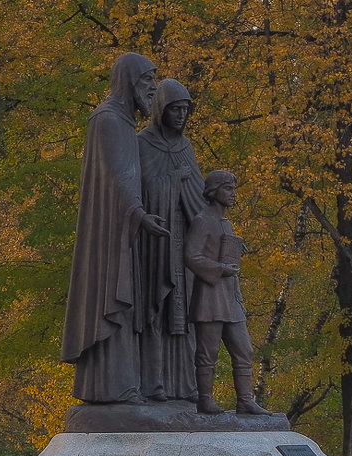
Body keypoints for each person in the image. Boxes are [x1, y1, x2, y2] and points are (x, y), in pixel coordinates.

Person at [61, 52, 170, 403]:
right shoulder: (107, 120)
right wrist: (138, 214)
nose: (152, 89)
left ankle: (123, 386)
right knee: (115, 302)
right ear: (128, 81)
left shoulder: (123, 122)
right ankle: (115, 390)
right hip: (110, 233)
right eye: (147, 81)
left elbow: (132, 177)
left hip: (125, 229)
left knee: (127, 306)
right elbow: (117, 178)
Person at [136, 79, 205, 402]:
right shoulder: (143, 144)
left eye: (185, 110)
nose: (181, 116)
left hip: (184, 243)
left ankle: (187, 387)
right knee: (157, 312)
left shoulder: (186, 147)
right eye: (175, 109)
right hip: (156, 242)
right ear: (160, 110)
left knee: (186, 315)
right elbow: (140, 191)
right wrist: (171, 182)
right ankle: (154, 383)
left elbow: (200, 197)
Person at [184, 170, 271, 416]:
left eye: (233, 189)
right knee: (208, 353)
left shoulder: (226, 222)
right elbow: (191, 256)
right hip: (210, 298)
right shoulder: (202, 220)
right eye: (228, 189)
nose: (233, 194)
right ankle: (205, 400)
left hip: (231, 297)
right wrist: (220, 268)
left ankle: (245, 400)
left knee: (245, 350)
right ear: (214, 191)